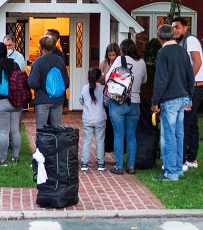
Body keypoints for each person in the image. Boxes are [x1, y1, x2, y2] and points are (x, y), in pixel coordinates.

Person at [151, 24, 195, 181]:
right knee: (178, 134)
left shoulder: (163, 53)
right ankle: (177, 169)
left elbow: (161, 79)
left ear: (159, 37)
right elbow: (190, 77)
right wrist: (189, 98)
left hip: (168, 99)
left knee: (169, 136)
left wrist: (155, 101)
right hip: (182, 98)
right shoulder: (183, 51)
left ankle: (170, 173)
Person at [105, 39, 147, 176]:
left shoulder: (119, 60)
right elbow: (144, 80)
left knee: (119, 134)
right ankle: (131, 166)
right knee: (131, 136)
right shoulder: (141, 62)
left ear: (122, 49)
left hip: (118, 101)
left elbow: (107, 78)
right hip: (135, 102)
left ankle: (118, 166)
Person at [172, 17, 203, 171]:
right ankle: (191, 158)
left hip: (194, 88)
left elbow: (197, 62)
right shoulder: (184, 42)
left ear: (185, 28)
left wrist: (187, 84)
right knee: (191, 123)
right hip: (193, 87)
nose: (175, 30)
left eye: (178, 27)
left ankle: (184, 159)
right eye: (173, 28)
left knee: (186, 122)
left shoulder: (190, 40)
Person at [0, 42, 23, 166]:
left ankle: (2, 160)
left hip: (1, 102)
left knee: (3, 132)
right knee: (15, 131)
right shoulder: (15, 64)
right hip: (16, 101)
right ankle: (16, 158)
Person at [28, 35, 69, 130]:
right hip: (58, 100)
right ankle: (55, 144)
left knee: (41, 130)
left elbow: (32, 83)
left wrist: (42, 87)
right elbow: (66, 82)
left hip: (42, 99)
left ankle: (42, 145)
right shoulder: (60, 61)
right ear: (53, 46)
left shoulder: (38, 62)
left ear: (40, 47)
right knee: (57, 129)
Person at [79, 67, 107, 171]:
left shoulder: (84, 88)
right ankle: (100, 163)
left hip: (87, 118)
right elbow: (106, 102)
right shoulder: (103, 89)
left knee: (87, 140)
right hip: (100, 118)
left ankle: (84, 163)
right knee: (100, 140)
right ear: (100, 77)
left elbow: (81, 101)